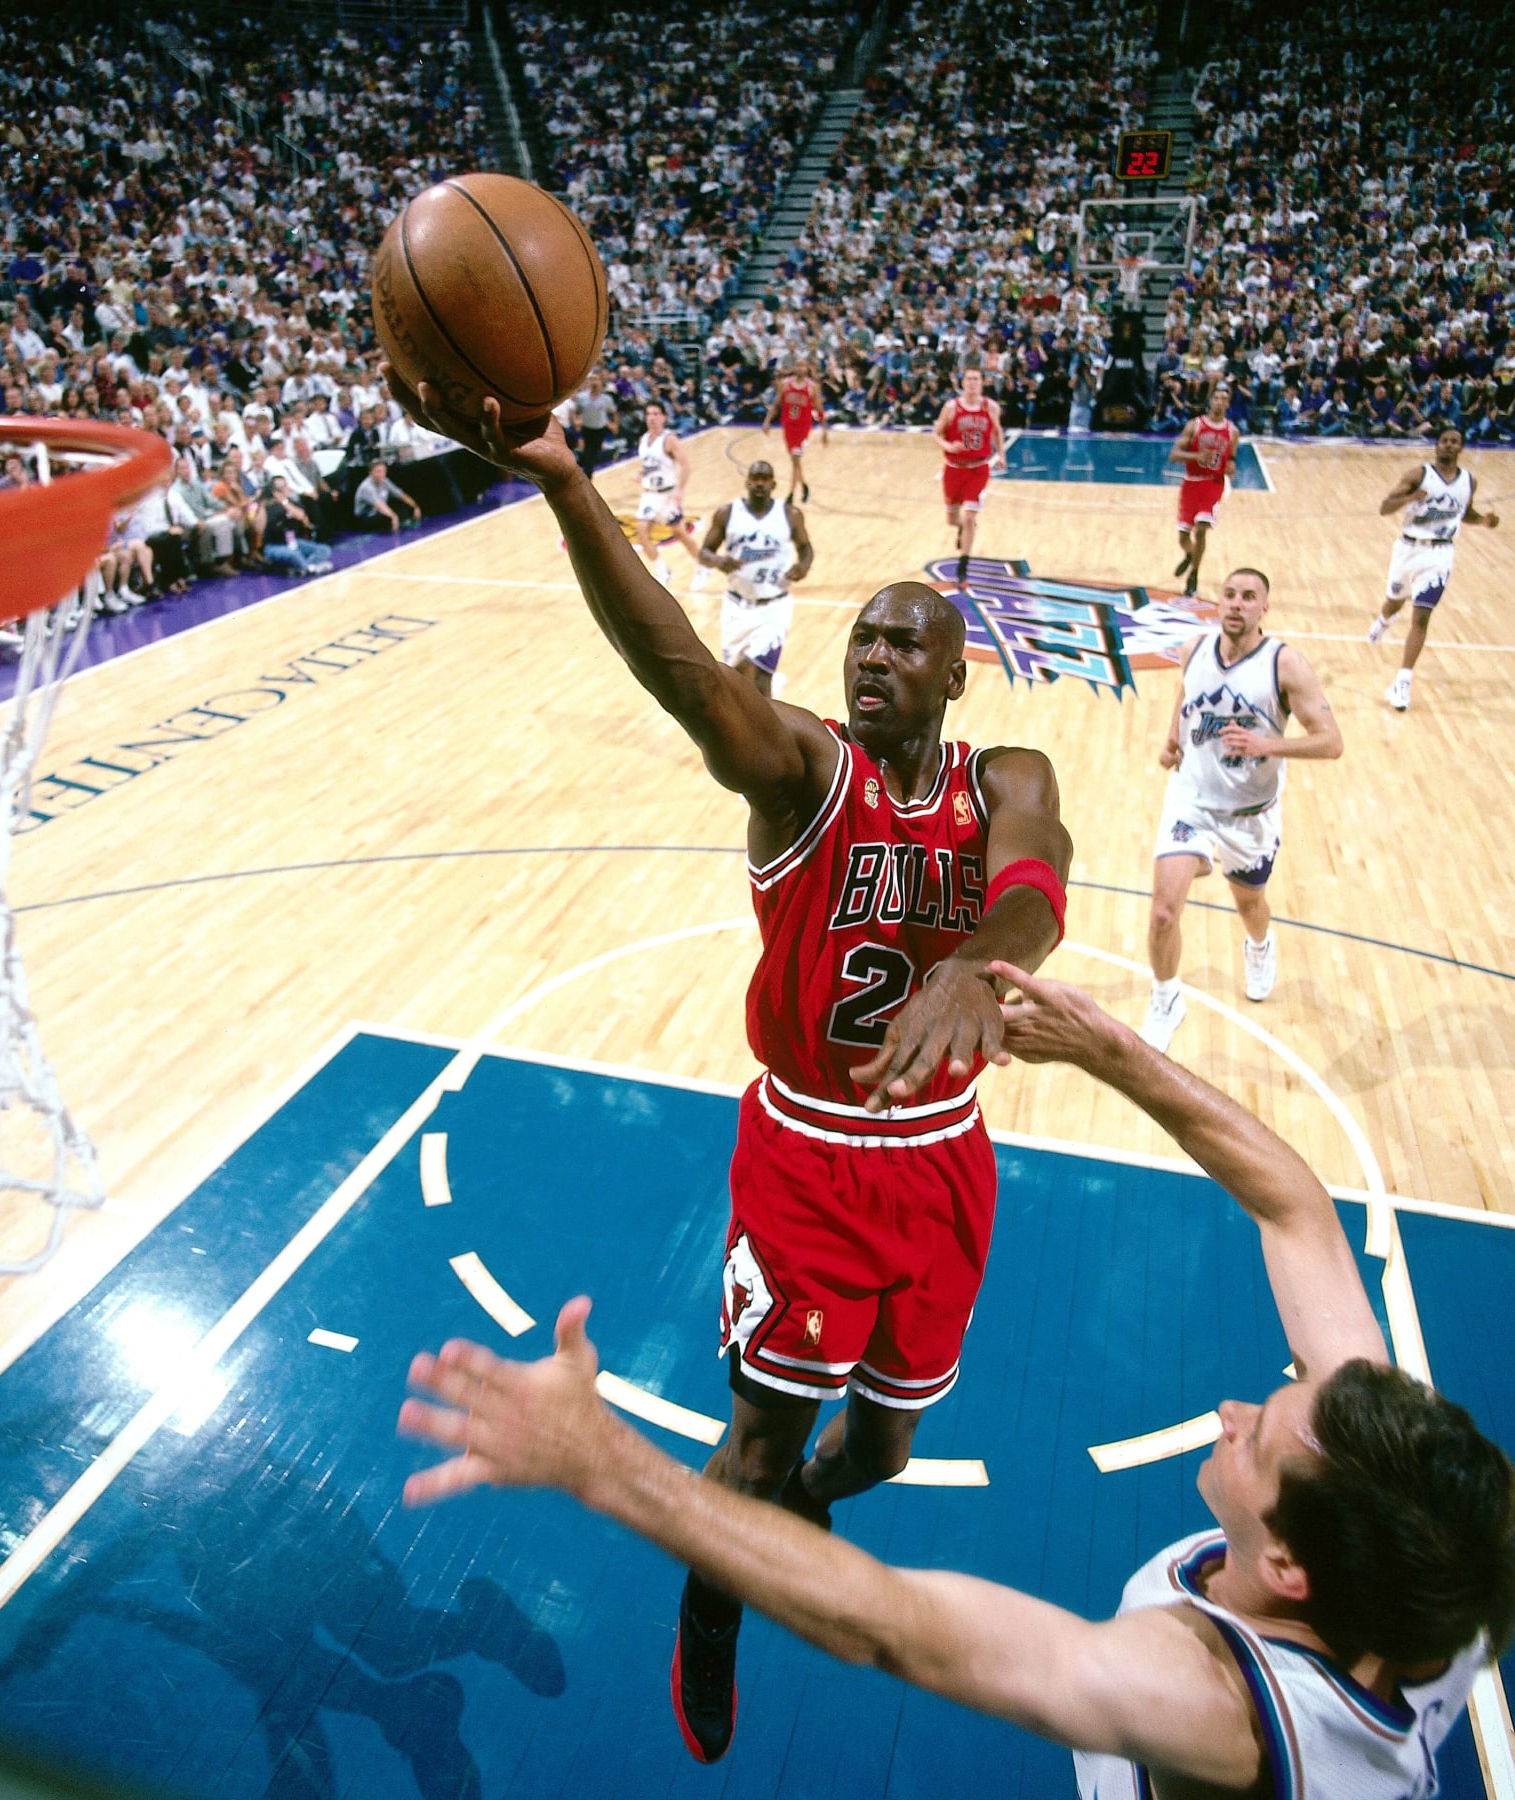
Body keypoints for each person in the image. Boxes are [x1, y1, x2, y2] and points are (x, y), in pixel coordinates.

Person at [400, 965, 1515, 1800]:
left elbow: (897, 1629)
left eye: (1256, 1438)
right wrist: (1111, 1051)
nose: (1238, 1410)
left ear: (1289, 1567)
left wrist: (600, 1462)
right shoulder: (1417, 1546)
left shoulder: (1214, 1707)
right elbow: (1296, 1204)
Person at [387, 373, 1072, 1766]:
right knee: (753, 1446)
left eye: (903, 644)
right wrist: (572, 487)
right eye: (860, 642)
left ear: (957, 671)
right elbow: (683, 670)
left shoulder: (1006, 772)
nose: (871, 657)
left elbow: (1040, 888)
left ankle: (798, 1516)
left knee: (875, 1453)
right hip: (810, 1153)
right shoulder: (801, 771)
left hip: (944, 1156)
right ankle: (715, 1610)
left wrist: (974, 962)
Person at [1141, 568, 1342, 1053]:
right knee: (1165, 912)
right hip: (1191, 801)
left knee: (1250, 904)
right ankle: (1167, 998)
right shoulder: (1195, 650)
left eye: (1248, 597)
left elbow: (1331, 743)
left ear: (1263, 609)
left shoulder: (1285, 664)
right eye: (1228, 594)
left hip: (1250, 814)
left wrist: (1265, 744)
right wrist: (1173, 738)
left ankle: (1258, 946)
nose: (1235, 603)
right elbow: (1187, 695)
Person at [1365, 426, 1500, 712]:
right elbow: (1384, 507)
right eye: (1445, 441)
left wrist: (1483, 521)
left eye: (1455, 441)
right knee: (1394, 600)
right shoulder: (1418, 475)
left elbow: (1465, 513)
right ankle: (1383, 622)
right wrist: (1409, 498)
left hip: (1441, 553)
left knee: (1422, 616)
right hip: (1408, 548)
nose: (1449, 445)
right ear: (1436, 445)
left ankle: (1402, 682)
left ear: (1461, 448)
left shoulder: (1469, 481)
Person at [695, 459, 814, 697]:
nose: (760, 484)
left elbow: (805, 548)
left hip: (774, 607)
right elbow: (704, 552)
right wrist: (718, 561)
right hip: (737, 606)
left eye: (765, 479)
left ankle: (765, 731)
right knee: (736, 676)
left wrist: (803, 566)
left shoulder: (790, 514)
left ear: (773, 484)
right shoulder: (727, 513)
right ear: (748, 482)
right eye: (756, 478)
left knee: (760, 677)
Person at [932, 367, 1005, 579]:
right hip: (954, 470)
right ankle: (962, 529)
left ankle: (963, 565)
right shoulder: (951, 407)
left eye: (976, 379)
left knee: (970, 517)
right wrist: (947, 445)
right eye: (969, 379)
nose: (973, 382)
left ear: (982, 382)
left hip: (979, 469)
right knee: (953, 519)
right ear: (963, 382)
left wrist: (1001, 455)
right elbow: (935, 434)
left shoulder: (990, 407)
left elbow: (998, 431)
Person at [1168, 385, 1238, 599]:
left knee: (1201, 529)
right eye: (1216, 398)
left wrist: (1232, 466)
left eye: (1223, 399)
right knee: (1183, 536)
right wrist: (1195, 456)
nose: (1219, 402)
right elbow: (1174, 455)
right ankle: (1190, 554)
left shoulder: (1232, 431)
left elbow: (1232, 457)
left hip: (1213, 483)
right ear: (1210, 401)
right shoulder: (1195, 425)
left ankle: (1194, 575)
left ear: (1227, 404)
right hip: (1191, 483)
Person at [633, 399, 700, 586]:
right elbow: (648, 465)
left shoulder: (669, 439)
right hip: (649, 494)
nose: (652, 418)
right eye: (649, 414)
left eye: (656, 414)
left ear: (663, 417)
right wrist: (640, 474)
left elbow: (686, 466)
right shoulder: (644, 440)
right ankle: (662, 571)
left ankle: (702, 566)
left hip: (668, 495)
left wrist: (680, 490)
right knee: (642, 532)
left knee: (680, 534)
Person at [762, 357, 826, 502]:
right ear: (794, 368)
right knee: (794, 461)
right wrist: (767, 421)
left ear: (807, 368)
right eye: (797, 365)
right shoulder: (785, 384)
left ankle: (791, 494)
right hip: (788, 426)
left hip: (803, 427)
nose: (800, 368)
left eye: (803, 366)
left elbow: (819, 409)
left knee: (796, 459)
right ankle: (804, 487)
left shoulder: (812, 387)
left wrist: (824, 431)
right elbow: (776, 403)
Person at [353, 460, 422, 534]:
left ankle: (402, 522)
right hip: (366, 516)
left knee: (403, 505)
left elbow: (401, 495)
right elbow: (379, 506)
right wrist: (393, 516)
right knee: (388, 517)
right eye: (378, 471)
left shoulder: (385, 481)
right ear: (371, 473)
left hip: (379, 511)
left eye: (383, 471)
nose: (382, 474)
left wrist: (415, 507)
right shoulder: (367, 487)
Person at [574, 371, 617, 479]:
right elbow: (577, 412)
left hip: (600, 429)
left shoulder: (607, 399)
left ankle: (588, 470)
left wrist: (615, 425)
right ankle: (588, 475)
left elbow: (614, 412)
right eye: (592, 379)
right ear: (588, 382)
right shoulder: (581, 397)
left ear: (601, 382)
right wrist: (577, 422)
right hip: (586, 429)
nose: (594, 382)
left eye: (596, 379)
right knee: (589, 452)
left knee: (594, 452)